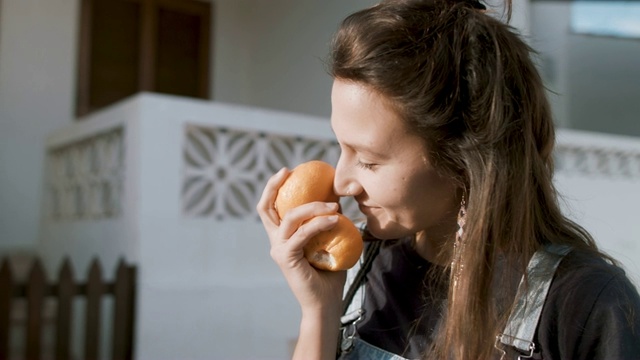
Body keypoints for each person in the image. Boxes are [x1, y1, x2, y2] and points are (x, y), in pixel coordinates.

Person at [257, 0, 640, 359]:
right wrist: (319, 310)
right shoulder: (366, 270)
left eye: (370, 161)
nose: (341, 182)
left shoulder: (586, 304)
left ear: (464, 160)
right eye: (341, 147)